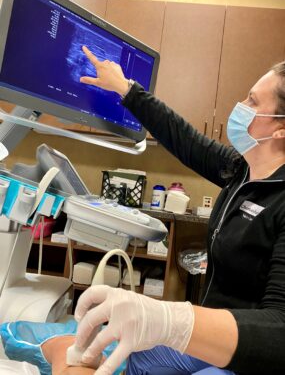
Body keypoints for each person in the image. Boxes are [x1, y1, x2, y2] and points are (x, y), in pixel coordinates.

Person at [71, 45, 285, 375]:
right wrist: (125, 88)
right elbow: (182, 137)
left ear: (280, 129)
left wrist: (171, 320)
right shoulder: (239, 170)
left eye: (253, 102)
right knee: (138, 360)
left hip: (252, 353)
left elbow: (279, 327)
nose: (240, 106)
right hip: (210, 335)